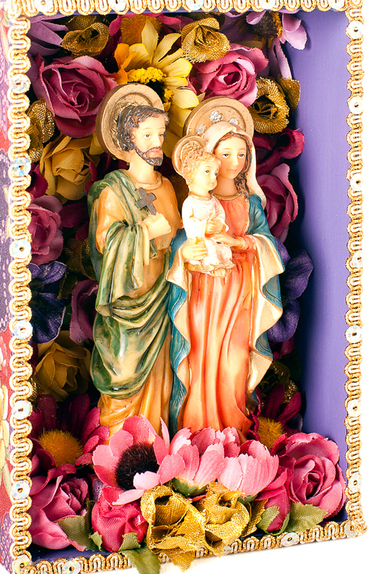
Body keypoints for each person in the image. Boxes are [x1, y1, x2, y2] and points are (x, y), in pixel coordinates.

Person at [87, 86, 204, 434]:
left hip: (162, 299)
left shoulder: (167, 187)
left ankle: (154, 443)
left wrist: (187, 246)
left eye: (161, 134)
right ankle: (116, 444)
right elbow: (106, 241)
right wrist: (144, 232)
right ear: (128, 139)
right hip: (129, 307)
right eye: (148, 135)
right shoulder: (113, 191)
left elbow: (177, 237)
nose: (157, 142)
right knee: (124, 372)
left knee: (161, 376)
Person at [166, 100, 284, 437]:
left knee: (235, 365)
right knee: (202, 362)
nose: (235, 162)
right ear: (210, 156)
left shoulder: (251, 203)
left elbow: (267, 243)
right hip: (204, 294)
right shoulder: (195, 202)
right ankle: (198, 435)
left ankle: (233, 437)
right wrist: (185, 252)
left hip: (240, 292)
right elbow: (179, 244)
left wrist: (240, 242)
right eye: (226, 154)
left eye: (242, 154)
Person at [176, 147, 234, 278]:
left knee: (224, 247)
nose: (213, 177)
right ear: (192, 173)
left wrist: (219, 223)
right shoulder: (190, 202)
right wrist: (204, 227)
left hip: (213, 236)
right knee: (209, 248)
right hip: (199, 239)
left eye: (215, 173)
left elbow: (220, 213)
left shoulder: (213, 200)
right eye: (207, 171)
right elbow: (188, 223)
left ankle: (223, 264)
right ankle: (212, 268)